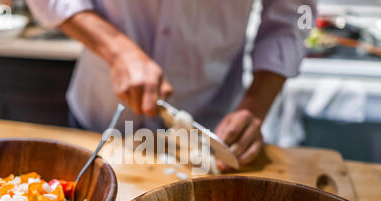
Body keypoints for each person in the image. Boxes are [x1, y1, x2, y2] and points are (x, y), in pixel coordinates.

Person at [27, 0, 316, 166]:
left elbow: (295, 18)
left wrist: (254, 109)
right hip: (101, 117)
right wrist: (116, 49)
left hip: (210, 132)